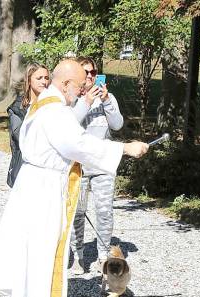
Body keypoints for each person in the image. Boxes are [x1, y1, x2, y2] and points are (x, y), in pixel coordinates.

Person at [0, 58, 148, 297]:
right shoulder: (55, 110)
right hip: (45, 187)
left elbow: (71, 133)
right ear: (66, 83)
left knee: (37, 252)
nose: (82, 91)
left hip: (37, 183)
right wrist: (124, 149)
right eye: (80, 86)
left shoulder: (47, 102)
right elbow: (77, 143)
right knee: (45, 252)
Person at [69, 56, 124, 271]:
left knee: (104, 211)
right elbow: (69, 125)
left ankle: (103, 254)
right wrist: (86, 102)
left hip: (103, 165)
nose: (90, 76)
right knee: (77, 211)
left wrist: (107, 100)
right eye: (86, 72)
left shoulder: (107, 99)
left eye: (93, 72)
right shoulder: (72, 98)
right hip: (79, 166)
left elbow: (117, 125)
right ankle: (77, 254)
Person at [7, 63, 49, 187]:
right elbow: (20, 136)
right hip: (24, 165)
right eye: (39, 78)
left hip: (47, 166)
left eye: (46, 78)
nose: (44, 82)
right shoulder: (17, 107)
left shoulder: (53, 104)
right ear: (29, 80)